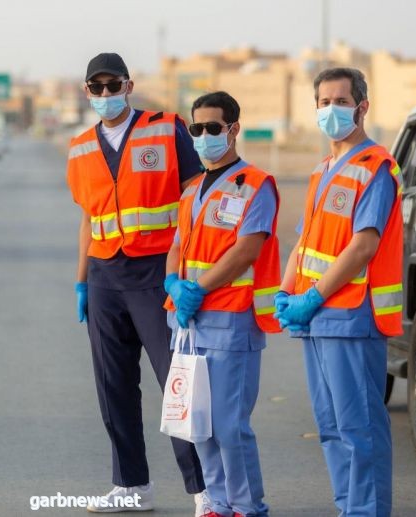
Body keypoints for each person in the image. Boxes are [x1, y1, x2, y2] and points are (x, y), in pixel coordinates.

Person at [66, 52, 207, 514]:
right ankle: (131, 486)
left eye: (113, 85)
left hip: (156, 272)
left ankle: (204, 490)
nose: (105, 95)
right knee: (114, 384)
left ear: (129, 86)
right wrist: (82, 281)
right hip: (106, 274)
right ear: (87, 92)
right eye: (97, 88)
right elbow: (88, 217)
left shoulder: (167, 129)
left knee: (176, 383)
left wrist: (184, 269)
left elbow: (194, 199)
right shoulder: (81, 147)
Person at [275, 67, 403, 517]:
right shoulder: (322, 171)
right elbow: (303, 242)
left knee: (359, 427)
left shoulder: (376, 169)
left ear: (362, 107)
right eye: (323, 102)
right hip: (316, 321)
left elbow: (363, 246)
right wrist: (286, 291)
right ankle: (349, 508)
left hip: (351, 316)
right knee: (330, 428)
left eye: (340, 101)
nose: (331, 110)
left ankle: (367, 512)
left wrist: (312, 298)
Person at [164, 91, 281, 517]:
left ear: (233, 129)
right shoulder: (193, 188)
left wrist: (198, 287)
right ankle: (216, 502)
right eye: (197, 129)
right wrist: (173, 283)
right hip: (189, 323)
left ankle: (248, 508)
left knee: (230, 427)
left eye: (213, 128)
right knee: (199, 424)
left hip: (231, 319)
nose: (203, 136)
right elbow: (177, 244)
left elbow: (246, 250)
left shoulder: (256, 185)